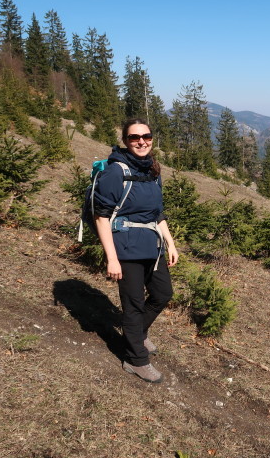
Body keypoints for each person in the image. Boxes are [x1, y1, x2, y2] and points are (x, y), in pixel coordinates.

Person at [94, 118, 178, 383]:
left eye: (146, 136)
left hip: (152, 246)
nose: (142, 141)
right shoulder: (115, 171)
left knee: (163, 293)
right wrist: (112, 258)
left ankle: (136, 333)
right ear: (125, 141)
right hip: (126, 247)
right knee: (133, 305)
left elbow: (158, 213)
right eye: (134, 137)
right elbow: (101, 216)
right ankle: (135, 359)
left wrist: (170, 243)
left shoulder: (153, 170)